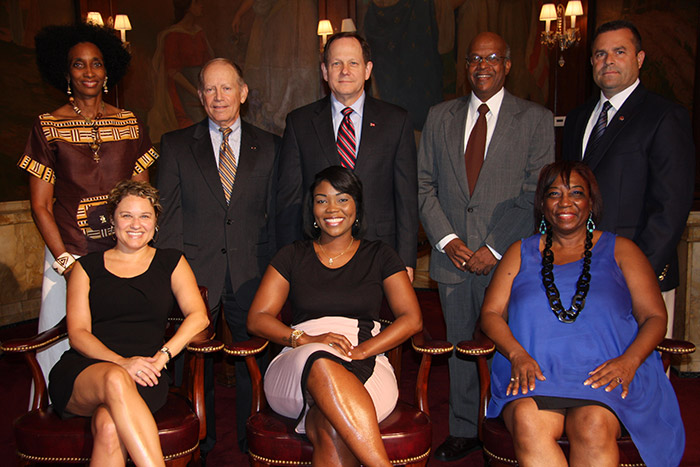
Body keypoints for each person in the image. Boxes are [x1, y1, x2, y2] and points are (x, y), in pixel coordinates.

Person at [480, 161, 684, 467]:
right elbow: (491, 313)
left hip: (606, 373)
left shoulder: (622, 250)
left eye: (576, 193)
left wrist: (629, 363)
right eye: (554, 194)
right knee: (527, 420)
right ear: (542, 203)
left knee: (593, 425)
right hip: (534, 373)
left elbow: (654, 317)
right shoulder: (518, 252)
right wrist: (516, 355)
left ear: (591, 202)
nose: (565, 202)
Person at [417, 31, 554, 461]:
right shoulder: (439, 116)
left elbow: (536, 192)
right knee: (460, 346)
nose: (482, 66)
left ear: (508, 65)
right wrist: (448, 239)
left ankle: (510, 422)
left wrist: (493, 248)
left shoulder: (534, 119)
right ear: (466, 66)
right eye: (474, 58)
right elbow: (424, 186)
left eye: (493, 57)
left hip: (509, 260)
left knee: (513, 342)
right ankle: (463, 428)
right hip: (451, 257)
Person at [18, 23, 159, 395]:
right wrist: (65, 263)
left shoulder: (128, 122)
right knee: (60, 349)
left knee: (120, 347)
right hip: (71, 254)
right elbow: (40, 205)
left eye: (96, 63)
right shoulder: (47, 126)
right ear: (66, 73)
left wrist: (140, 252)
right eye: (78, 65)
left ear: (107, 70)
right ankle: (58, 421)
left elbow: (144, 196)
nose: (89, 72)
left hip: (122, 257)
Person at [248, 166, 422, 467]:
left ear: (357, 206)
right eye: (321, 200)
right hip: (298, 360)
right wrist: (305, 338)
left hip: (364, 358)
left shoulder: (380, 255)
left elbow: (412, 318)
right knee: (320, 359)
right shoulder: (292, 255)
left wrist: (364, 349)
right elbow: (258, 318)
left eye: (342, 199)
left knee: (331, 429)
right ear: (312, 209)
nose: (332, 209)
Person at [156, 57, 280, 454]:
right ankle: (199, 439)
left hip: (253, 270)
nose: (218, 96)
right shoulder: (175, 145)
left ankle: (252, 435)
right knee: (193, 360)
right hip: (195, 273)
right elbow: (169, 216)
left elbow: (278, 215)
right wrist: (175, 276)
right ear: (200, 96)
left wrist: (280, 273)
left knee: (254, 357)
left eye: (227, 87)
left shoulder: (271, 146)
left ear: (243, 93)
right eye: (210, 88)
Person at [48, 180, 209, 466]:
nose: (136, 224)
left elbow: (198, 316)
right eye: (126, 215)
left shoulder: (171, 261)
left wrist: (162, 357)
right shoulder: (86, 267)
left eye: (145, 216)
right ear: (113, 221)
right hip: (85, 372)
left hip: (146, 374)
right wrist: (122, 363)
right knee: (114, 377)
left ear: (156, 221)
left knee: (109, 429)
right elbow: (78, 334)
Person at [562, 20, 695, 338]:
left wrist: (636, 273)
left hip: (635, 276)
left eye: (619, 52)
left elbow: (670, 207)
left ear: (640, 58)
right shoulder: (578, 119)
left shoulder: (664, 116)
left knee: (635, 379)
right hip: (577, 272)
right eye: (599, 54)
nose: (607, 61)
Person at [275, 31, 418, 282]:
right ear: (324, 71)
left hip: (380, 253)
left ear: (367, 69)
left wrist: (405, 260)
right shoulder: (300, 123)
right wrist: (288, 261)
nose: (344, 71)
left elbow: (406, 198)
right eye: (336, 63)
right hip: (317, 255)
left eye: (353, 63)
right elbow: (290, 200)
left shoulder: (397, 121)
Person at [148, 0, 214, 143]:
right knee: (190, 130)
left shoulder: (199, 32)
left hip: (201, 83)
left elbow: (209, 62)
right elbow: (172, 71)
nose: (201, 6)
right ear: (188, 7)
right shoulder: (172, 35)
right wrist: (196, 91)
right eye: (197, 3)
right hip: (181, 89)